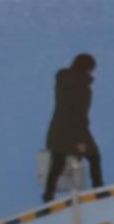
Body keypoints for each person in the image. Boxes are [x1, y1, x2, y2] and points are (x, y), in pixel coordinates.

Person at [39, 52, 102, 199]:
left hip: (57, 129)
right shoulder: (82, 87)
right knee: (94, 157)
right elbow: (79, 114)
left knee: (58, 162)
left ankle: (48, 196)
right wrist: (80, 140)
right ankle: (100, 193)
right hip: (75, 131)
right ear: (88, 68)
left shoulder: (62, 81)